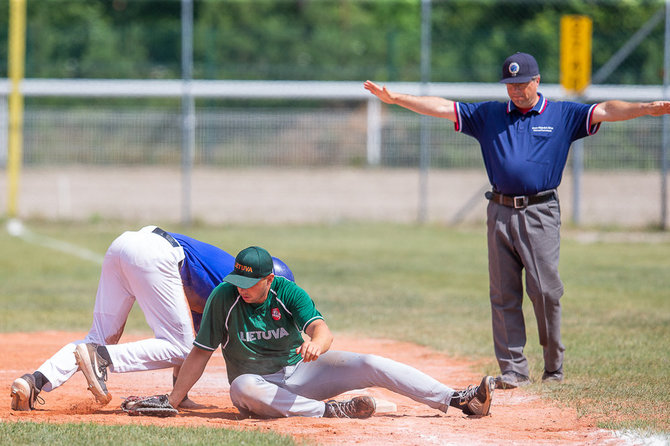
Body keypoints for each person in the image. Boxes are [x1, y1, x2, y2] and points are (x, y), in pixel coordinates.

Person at [364, 52, 670, 389]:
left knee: (545, 290)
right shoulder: (489, 115)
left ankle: (553, 366)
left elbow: (607, 110)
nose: (516, 91)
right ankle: (513, 370)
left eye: (522, 84)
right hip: (498, 211)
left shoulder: (562, 114)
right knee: (503, 294)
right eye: (510, 85)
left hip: (540, 212)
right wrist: (395, 99)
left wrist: (646, 108)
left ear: (537, 81)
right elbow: (440, 107)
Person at [167, 245, 495, 419]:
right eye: (238, 282)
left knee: (370, 362)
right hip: (258, 386)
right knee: (242, 387)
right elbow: (200, 351)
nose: (242, 290)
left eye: (251, 284)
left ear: (269, 280)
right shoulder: (223, 296)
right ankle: (332, 410)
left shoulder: (289, 292)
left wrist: (316, 344)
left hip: (302, 372)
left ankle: (458, 399)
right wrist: (174, 399)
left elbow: (322, 331)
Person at [10, 225, 295, 411]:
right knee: (173, 345)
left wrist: (179, 396)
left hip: (125, 245)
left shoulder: (232, 282)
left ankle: (34, 381)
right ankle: (101, 357)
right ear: (268, 282)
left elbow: (196, 340)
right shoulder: (236, 291)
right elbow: (205, 348)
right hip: (156, 254)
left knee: (98, 339)